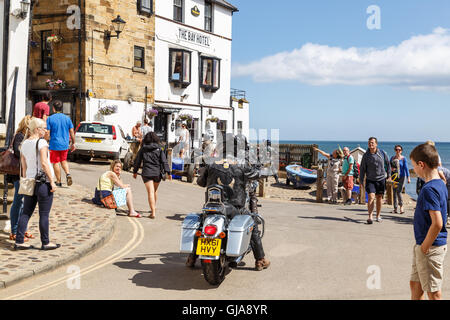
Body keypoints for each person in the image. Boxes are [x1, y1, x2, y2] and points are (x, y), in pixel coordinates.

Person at [186, 134, 270, 271]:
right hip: (235, 207)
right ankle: (260, 259)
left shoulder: (212, 163)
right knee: (252, 223)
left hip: (212, 206)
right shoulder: (242, 165)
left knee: (201, 225)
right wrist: (262, 171)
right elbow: (256, 174)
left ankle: (192, 258)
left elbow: (201, 182)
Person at [409, 143, 447, 300]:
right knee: (415, 284)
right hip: (423, 245)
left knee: (433, 292)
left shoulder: (429, 189)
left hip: (429, 247)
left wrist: (424, 248)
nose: (414, 171)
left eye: (414, 166)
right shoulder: (439, 183)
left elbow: (437, 223)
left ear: (421, 164)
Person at [15, 118, 60, 250]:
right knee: (44, 214)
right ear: (37, 129)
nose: (46, 130)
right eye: (44, 128)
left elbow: (23, 166)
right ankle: (45, 242)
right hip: (43, 183)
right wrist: (52, 181)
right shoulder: (41, 143)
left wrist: (25, 179)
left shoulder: (24, 144)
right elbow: (45, 163)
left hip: (30, 182)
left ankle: (19, 241)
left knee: (26, 212)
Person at [133, 132, 172, 219]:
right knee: (154, 191)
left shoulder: (143, 149)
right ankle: (153, 207)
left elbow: (137, 161)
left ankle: (153, 212)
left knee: (150, 192)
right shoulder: (159, 149)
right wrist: (168, 173)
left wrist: (135, 171)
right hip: (157, 173)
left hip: (147, 173)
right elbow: (164, 161)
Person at [6, 115, 32, 241]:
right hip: (18, 174)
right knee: (18, 201)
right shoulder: (19, 136)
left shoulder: (26, 137)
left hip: (25, 173)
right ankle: (14, 231)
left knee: (25, 203)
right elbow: (17, 151)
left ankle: (23, 228)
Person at [359, 137, 391, 224]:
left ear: (376, 144)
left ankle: (378, 215)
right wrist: (361, 180)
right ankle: (370, 216)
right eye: (369, 143)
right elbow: (362, 168)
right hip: (370, 180)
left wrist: (389, 176)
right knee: (371, 197)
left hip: (381, 179)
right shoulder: (366, 155)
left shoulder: (382, 153)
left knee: (379, 198)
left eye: (372, 143)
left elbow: (388, 164)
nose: (371, 144)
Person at [46, 100, 76, 187]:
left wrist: (45, 141)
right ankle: (68, 174)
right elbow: (71, 131)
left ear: (53, 108)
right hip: (64, 144)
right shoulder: (67, 118)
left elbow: (47, 133)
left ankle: (58, 181)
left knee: (55, 162)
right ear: (61, 108)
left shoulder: (50, 119)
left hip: (54, 144)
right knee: (63, 160)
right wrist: (73, 143)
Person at [390, 145, 411, 214]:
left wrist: (408, 178)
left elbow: (406, 168)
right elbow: (389, 168)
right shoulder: (392, 158)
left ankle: (401, 207)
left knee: (399, 191)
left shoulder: (403, 159)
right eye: (396, 149)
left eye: (399, 150)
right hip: (394, 177)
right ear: (395, 150)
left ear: (401, 151)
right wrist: (389, 175)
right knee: (394, 192)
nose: (398, 151)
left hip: (402, 177)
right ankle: (395, 208)